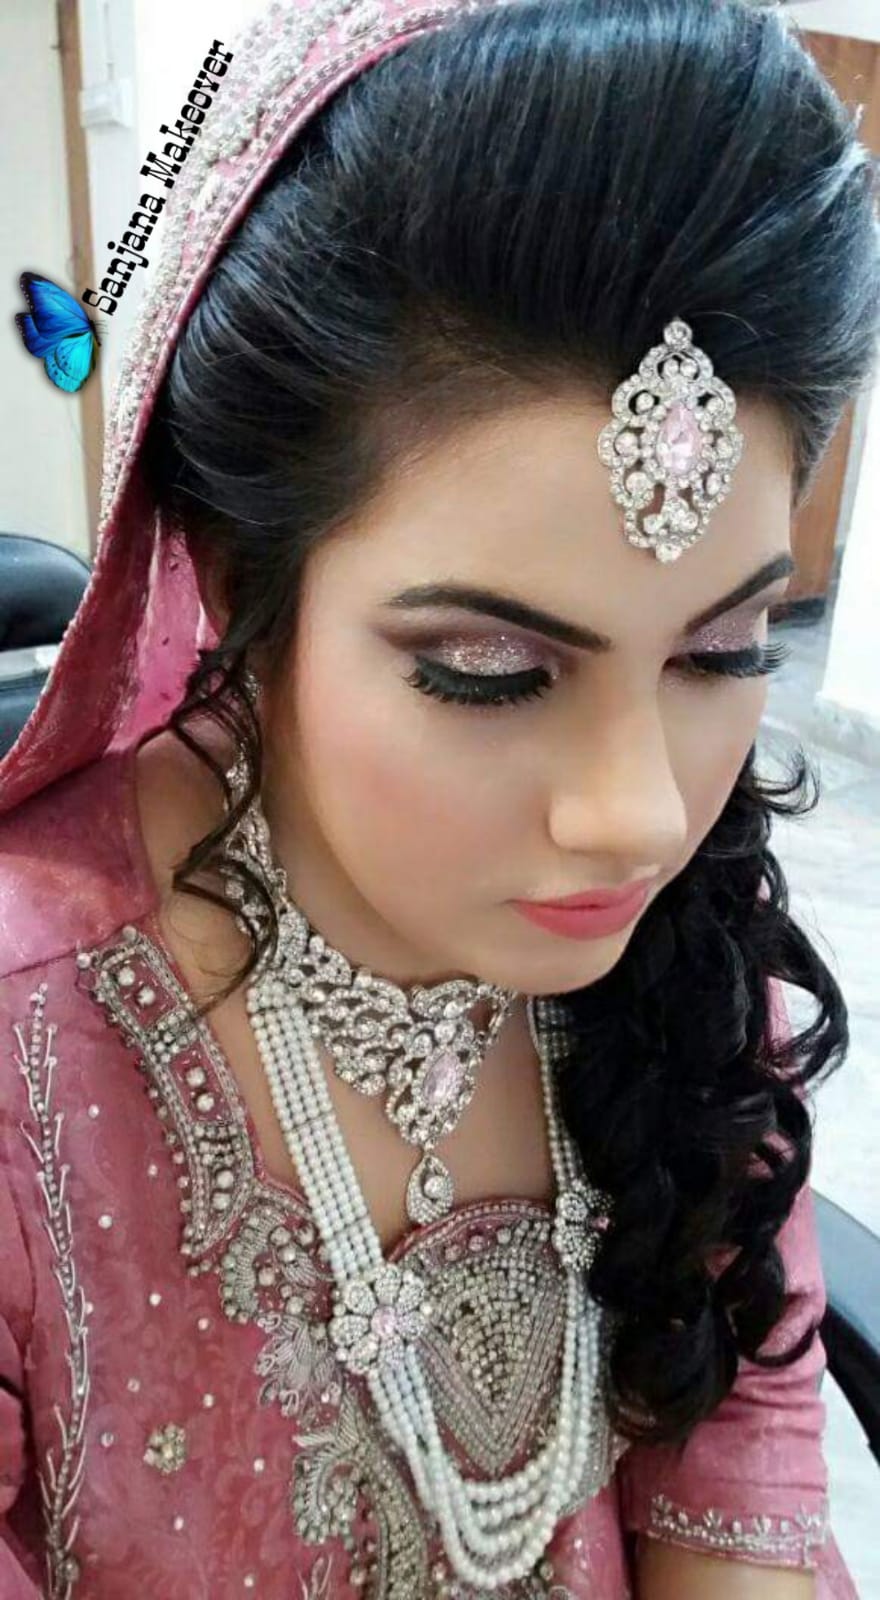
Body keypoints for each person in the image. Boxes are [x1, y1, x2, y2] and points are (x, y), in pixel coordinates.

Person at [0, 0, 877, 1594]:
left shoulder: (689, 949)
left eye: (724, 649)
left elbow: (739, 1464)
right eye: (490, 668)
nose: (638, 814)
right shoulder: (21, 1057)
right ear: (232, 580)